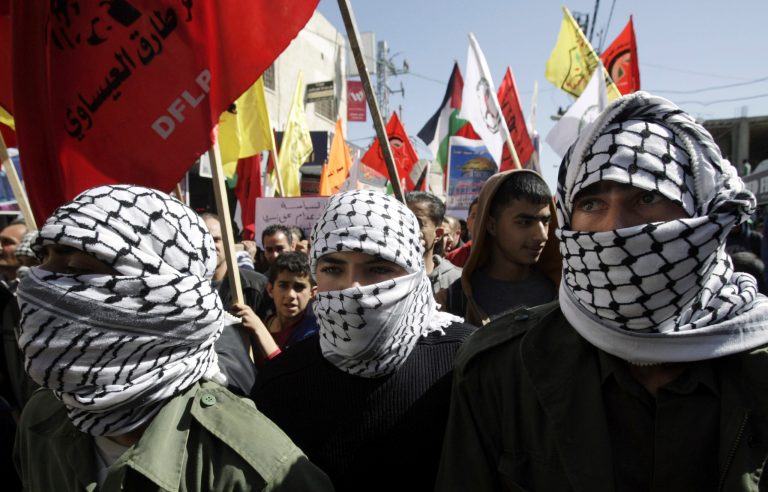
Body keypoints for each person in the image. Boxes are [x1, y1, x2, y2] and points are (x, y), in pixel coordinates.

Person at [436, 92, 768, 491]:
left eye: (646, 197)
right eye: (591, 202)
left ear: (702, 214)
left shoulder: (757, 365)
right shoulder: (500, 369)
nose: (614, 227)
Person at [13, 185, 333, 491]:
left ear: (159, 296)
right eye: (46, 261)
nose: (40, 285)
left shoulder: (257, 471)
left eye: (78, 268)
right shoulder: (41, 419)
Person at [253, 189, 474, 492]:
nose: (353, 287)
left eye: (378, 268)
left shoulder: (467, 364)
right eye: (333, 268)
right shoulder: (280, 383)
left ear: (412, 271)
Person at [441, 170, 560, 325]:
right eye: (524, 222)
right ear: (491, 225)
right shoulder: (454, 300)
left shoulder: (566, 295)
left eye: (545, 221)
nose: (542, 235)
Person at [202, 213, 267, 395]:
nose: (210, 245)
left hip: (247, 388)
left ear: (229, 243)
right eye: (204, 238)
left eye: (216, 239)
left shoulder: (255, 286)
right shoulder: (185, 291)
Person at [405, 191, 461, 297]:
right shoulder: (384, 277)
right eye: (401, 221)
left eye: (417, 223)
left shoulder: (457, 281)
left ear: (438, 234)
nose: (407, 229)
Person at [444, 198, 477, 268]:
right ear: (468, 222)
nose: (480, 220)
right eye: (474, 216)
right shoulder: (452, 258)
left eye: (484, 215)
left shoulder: (503, 257)